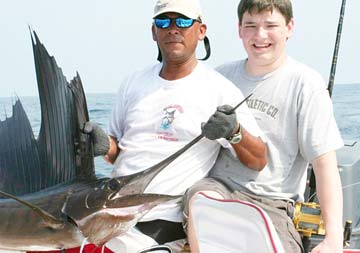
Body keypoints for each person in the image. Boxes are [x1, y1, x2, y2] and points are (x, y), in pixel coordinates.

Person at [85, 0, 267, 252]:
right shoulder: (133, 82)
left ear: (201, 30)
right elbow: (117, 155)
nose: (173, 28)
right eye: (164, 21)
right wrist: (104, 145)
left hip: (161, 221)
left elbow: (259, 159)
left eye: (182, 21)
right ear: (153, 31)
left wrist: (234, 131)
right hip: (107, 211)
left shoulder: (219, 89)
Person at [184, 0, 344, 253]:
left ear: (289, 27)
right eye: (250, 25)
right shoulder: (219, 77)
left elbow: (324, 164)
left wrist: (333, 240)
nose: (260, 36)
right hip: (218, 191)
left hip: (274, 204)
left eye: (271, 25)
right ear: (239, 29)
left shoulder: (306, 84)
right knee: (200, 198)